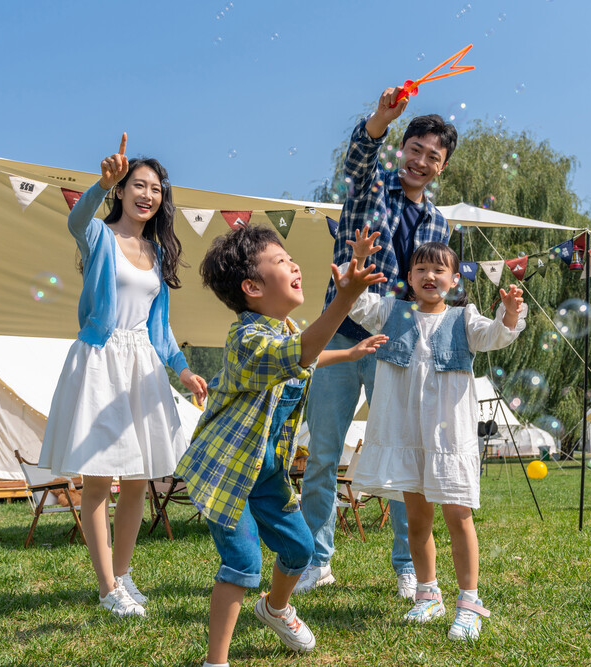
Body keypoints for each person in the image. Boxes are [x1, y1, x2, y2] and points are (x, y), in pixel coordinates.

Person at [174, 225, 387, 667]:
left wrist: (347, 354)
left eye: (291, 258)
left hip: (266, 471)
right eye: (281, 261)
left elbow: (303, 350)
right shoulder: (246, 340)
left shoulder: (285, 328)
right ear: (251, 287)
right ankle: (216, 661)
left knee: (300, 548)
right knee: (243, 563)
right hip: (228, 473)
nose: (293, 265)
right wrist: (343, 300)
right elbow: (299, 353)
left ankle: (274, 607)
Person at [297, 86, 459, 598]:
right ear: (402, 149)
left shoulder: (439, 222)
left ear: (442, 167)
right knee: (322, 455)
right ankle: (315, 561)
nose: (422, 161)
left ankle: (408, 565)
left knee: (401, 454)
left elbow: (432, 288)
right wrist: (379, 120)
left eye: (434, 156)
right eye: (416, 150)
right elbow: (360, 155)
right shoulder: (369, 188)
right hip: (340, 337)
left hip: (398, 346)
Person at [38, 134, 208, 617]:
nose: (147, 194)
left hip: (143, 366)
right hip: (100, 361)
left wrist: (184, 370)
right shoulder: (99, 236)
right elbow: (75, 219)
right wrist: (100, 183)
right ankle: (107, 586)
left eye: (155, 188)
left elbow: (160, 328)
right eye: (137, 184)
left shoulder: (157, 253)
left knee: (138, 480)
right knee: (99, 481)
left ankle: (126, 574)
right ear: (121, 188)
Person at [345, 238, 526, 641]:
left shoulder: (465, 319)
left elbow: (496, 335)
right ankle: (428, 593)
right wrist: (358, 261)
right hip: (405, 432)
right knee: (417, 519)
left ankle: (469, 601)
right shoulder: (392, 311)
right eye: (421, 269)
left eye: (439, 269)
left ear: (455, 279)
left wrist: (510, 314)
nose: (430, 276)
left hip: (449, 436)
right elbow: (356, 303)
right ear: (408, 278)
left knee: (458, 517)